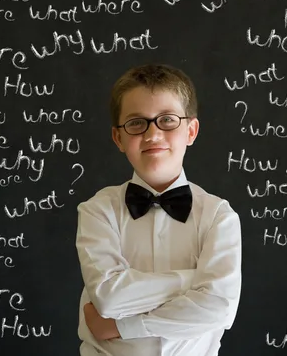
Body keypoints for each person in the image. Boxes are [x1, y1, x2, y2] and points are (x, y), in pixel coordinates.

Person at [75, 63, 242, 355]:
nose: (152, 135)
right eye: (137, 123)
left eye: (167, 120)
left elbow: (219, 310)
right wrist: (193, 280)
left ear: (191, 131)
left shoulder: (219, 216)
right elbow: (108, 298)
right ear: (118, 138)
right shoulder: (97, 211)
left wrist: (122, 327)